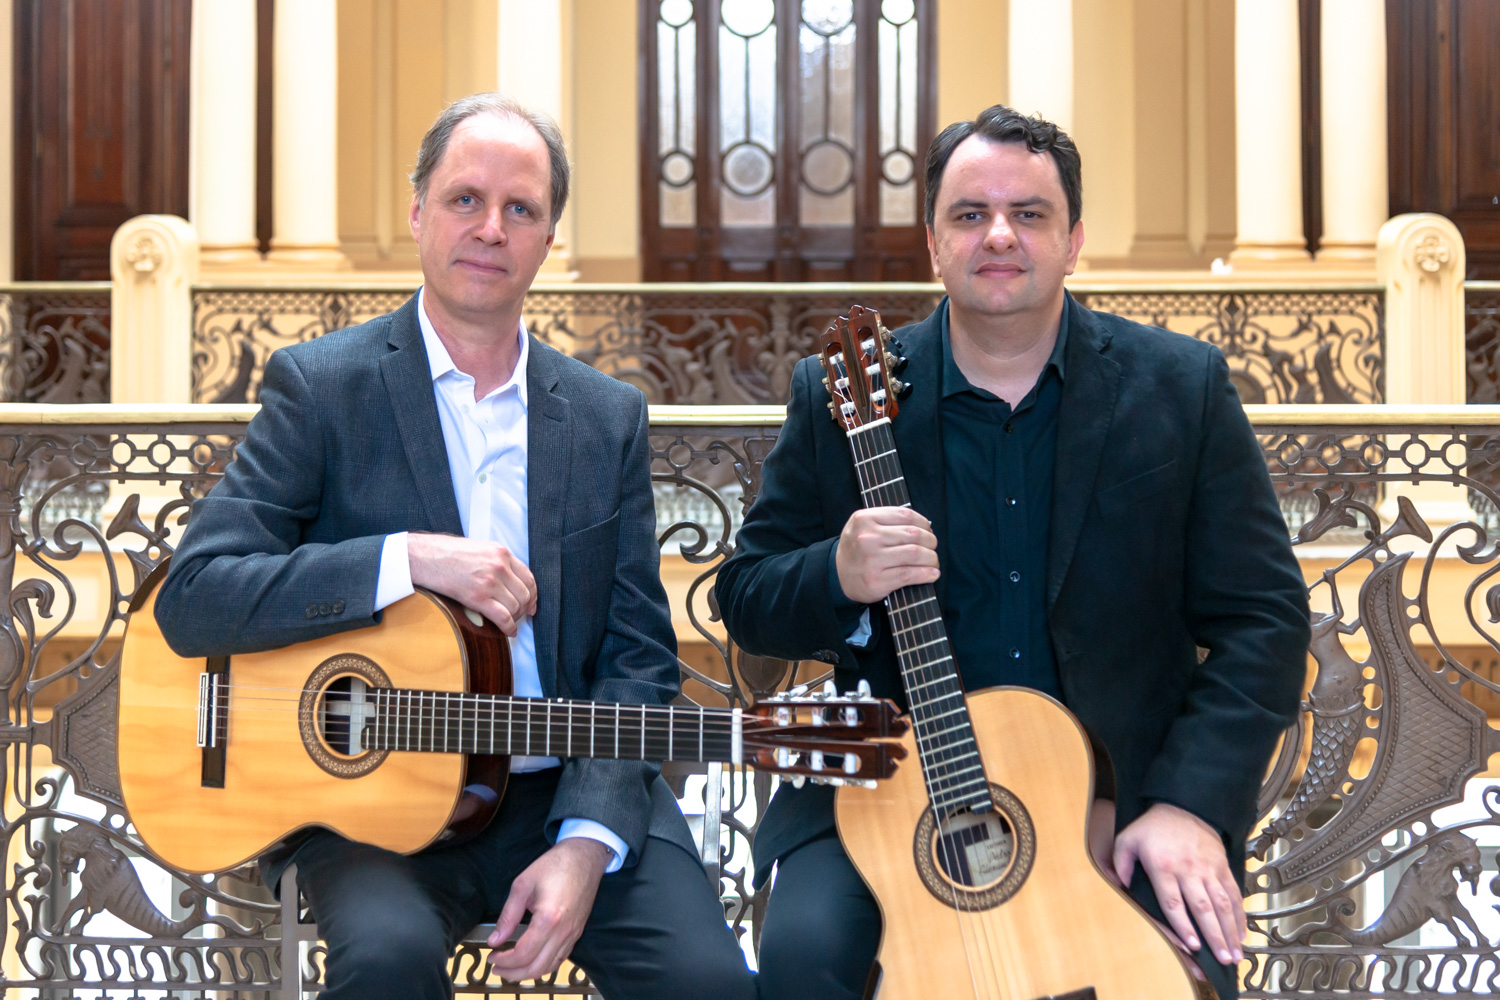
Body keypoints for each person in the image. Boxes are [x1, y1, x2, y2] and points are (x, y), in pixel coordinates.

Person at [154, 93, 756, 1000]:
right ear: (417, 212)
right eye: (465, 199)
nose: (490, 228)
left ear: (550, 238)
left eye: (522, 209)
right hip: (372, 796)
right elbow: (195, 594)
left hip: (564, 784)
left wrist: (587, 844)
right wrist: (407, 559)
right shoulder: (323, 387)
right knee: (388, 965)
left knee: (709, 982)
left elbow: (637, 658)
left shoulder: (605, 417)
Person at [714, 104, 1310, 1000]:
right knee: (807, 956)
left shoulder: (1180, 389)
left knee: (1183, 967)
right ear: (933, 242)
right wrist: (835, 573)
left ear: (1074, 240)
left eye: (1029, 214)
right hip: (891, 792)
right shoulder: (844, 395)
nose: (999, 235)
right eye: (969, 215)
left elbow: (1263, 621)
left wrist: (1187, 804)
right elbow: (748, 595)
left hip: (1120, 799)